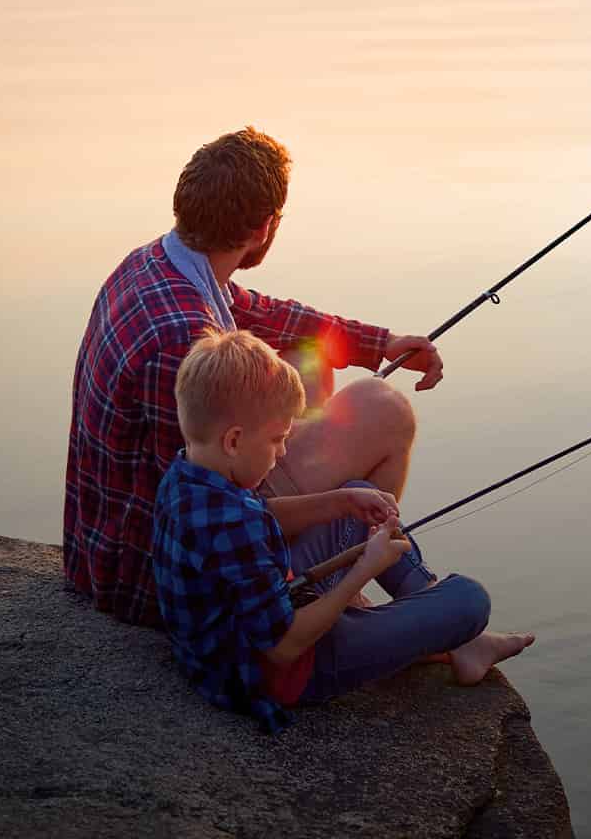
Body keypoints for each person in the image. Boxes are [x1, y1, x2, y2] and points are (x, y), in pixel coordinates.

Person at [67, 126, 443, 626]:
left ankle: (353, 579)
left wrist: (379, 343)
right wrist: (337, 501)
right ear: (265, 226)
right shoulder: (182, 344)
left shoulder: (157, 264)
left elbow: (261, 312)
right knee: (384, 412)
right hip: (151, 577)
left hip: (110, 542)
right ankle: (329, 602)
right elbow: (201, 507)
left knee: (307, 360)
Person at [153, 329, 531, 731]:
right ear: (233, 441)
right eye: (277, 440)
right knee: (470, 600)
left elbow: (260, 515)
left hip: (244, 632)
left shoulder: (185, 475)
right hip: (289, 672)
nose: (282, 452)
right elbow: (284, 648)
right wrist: (364, 571)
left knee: (359, 494)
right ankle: (457, 638)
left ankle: (448, 634)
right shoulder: (233, 523)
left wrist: (340, 502)